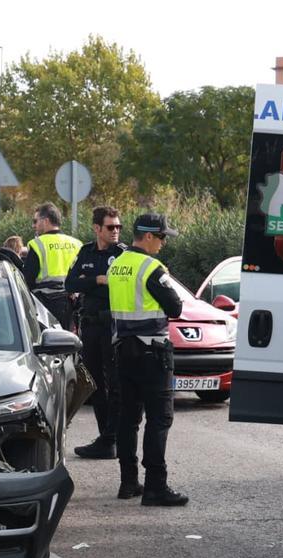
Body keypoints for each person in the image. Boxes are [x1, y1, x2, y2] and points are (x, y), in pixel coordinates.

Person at [108, 213, 187, 506]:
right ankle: (156, 486)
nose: (164, 243)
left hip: (123, 351)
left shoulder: (117, 265)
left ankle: (128, 482)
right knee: (159, 419)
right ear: (150, 236)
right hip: (153, 353)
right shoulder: (152, 267)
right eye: (163, 237)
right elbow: (175, 307)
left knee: (128, 419)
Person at [67, 206, 128, 460]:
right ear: (97, 229)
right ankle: (105, 438)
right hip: (91, 326)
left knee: (115, 384)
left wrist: (90, 280)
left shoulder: (123, 254)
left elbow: (122, 285)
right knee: (94, 384)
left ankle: (112, 437)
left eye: (118, 227)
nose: (115, 231)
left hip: (113, 326)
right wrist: (98, 280)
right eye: (110, 227)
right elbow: (70, 283)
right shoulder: (86, 252)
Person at [24, 203, 83, 330]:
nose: (34, 225)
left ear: (45, 221)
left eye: (35, 221)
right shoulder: (77, 244)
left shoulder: (37, 244)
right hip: (72, 305)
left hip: (45, 306)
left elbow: (27, 280)